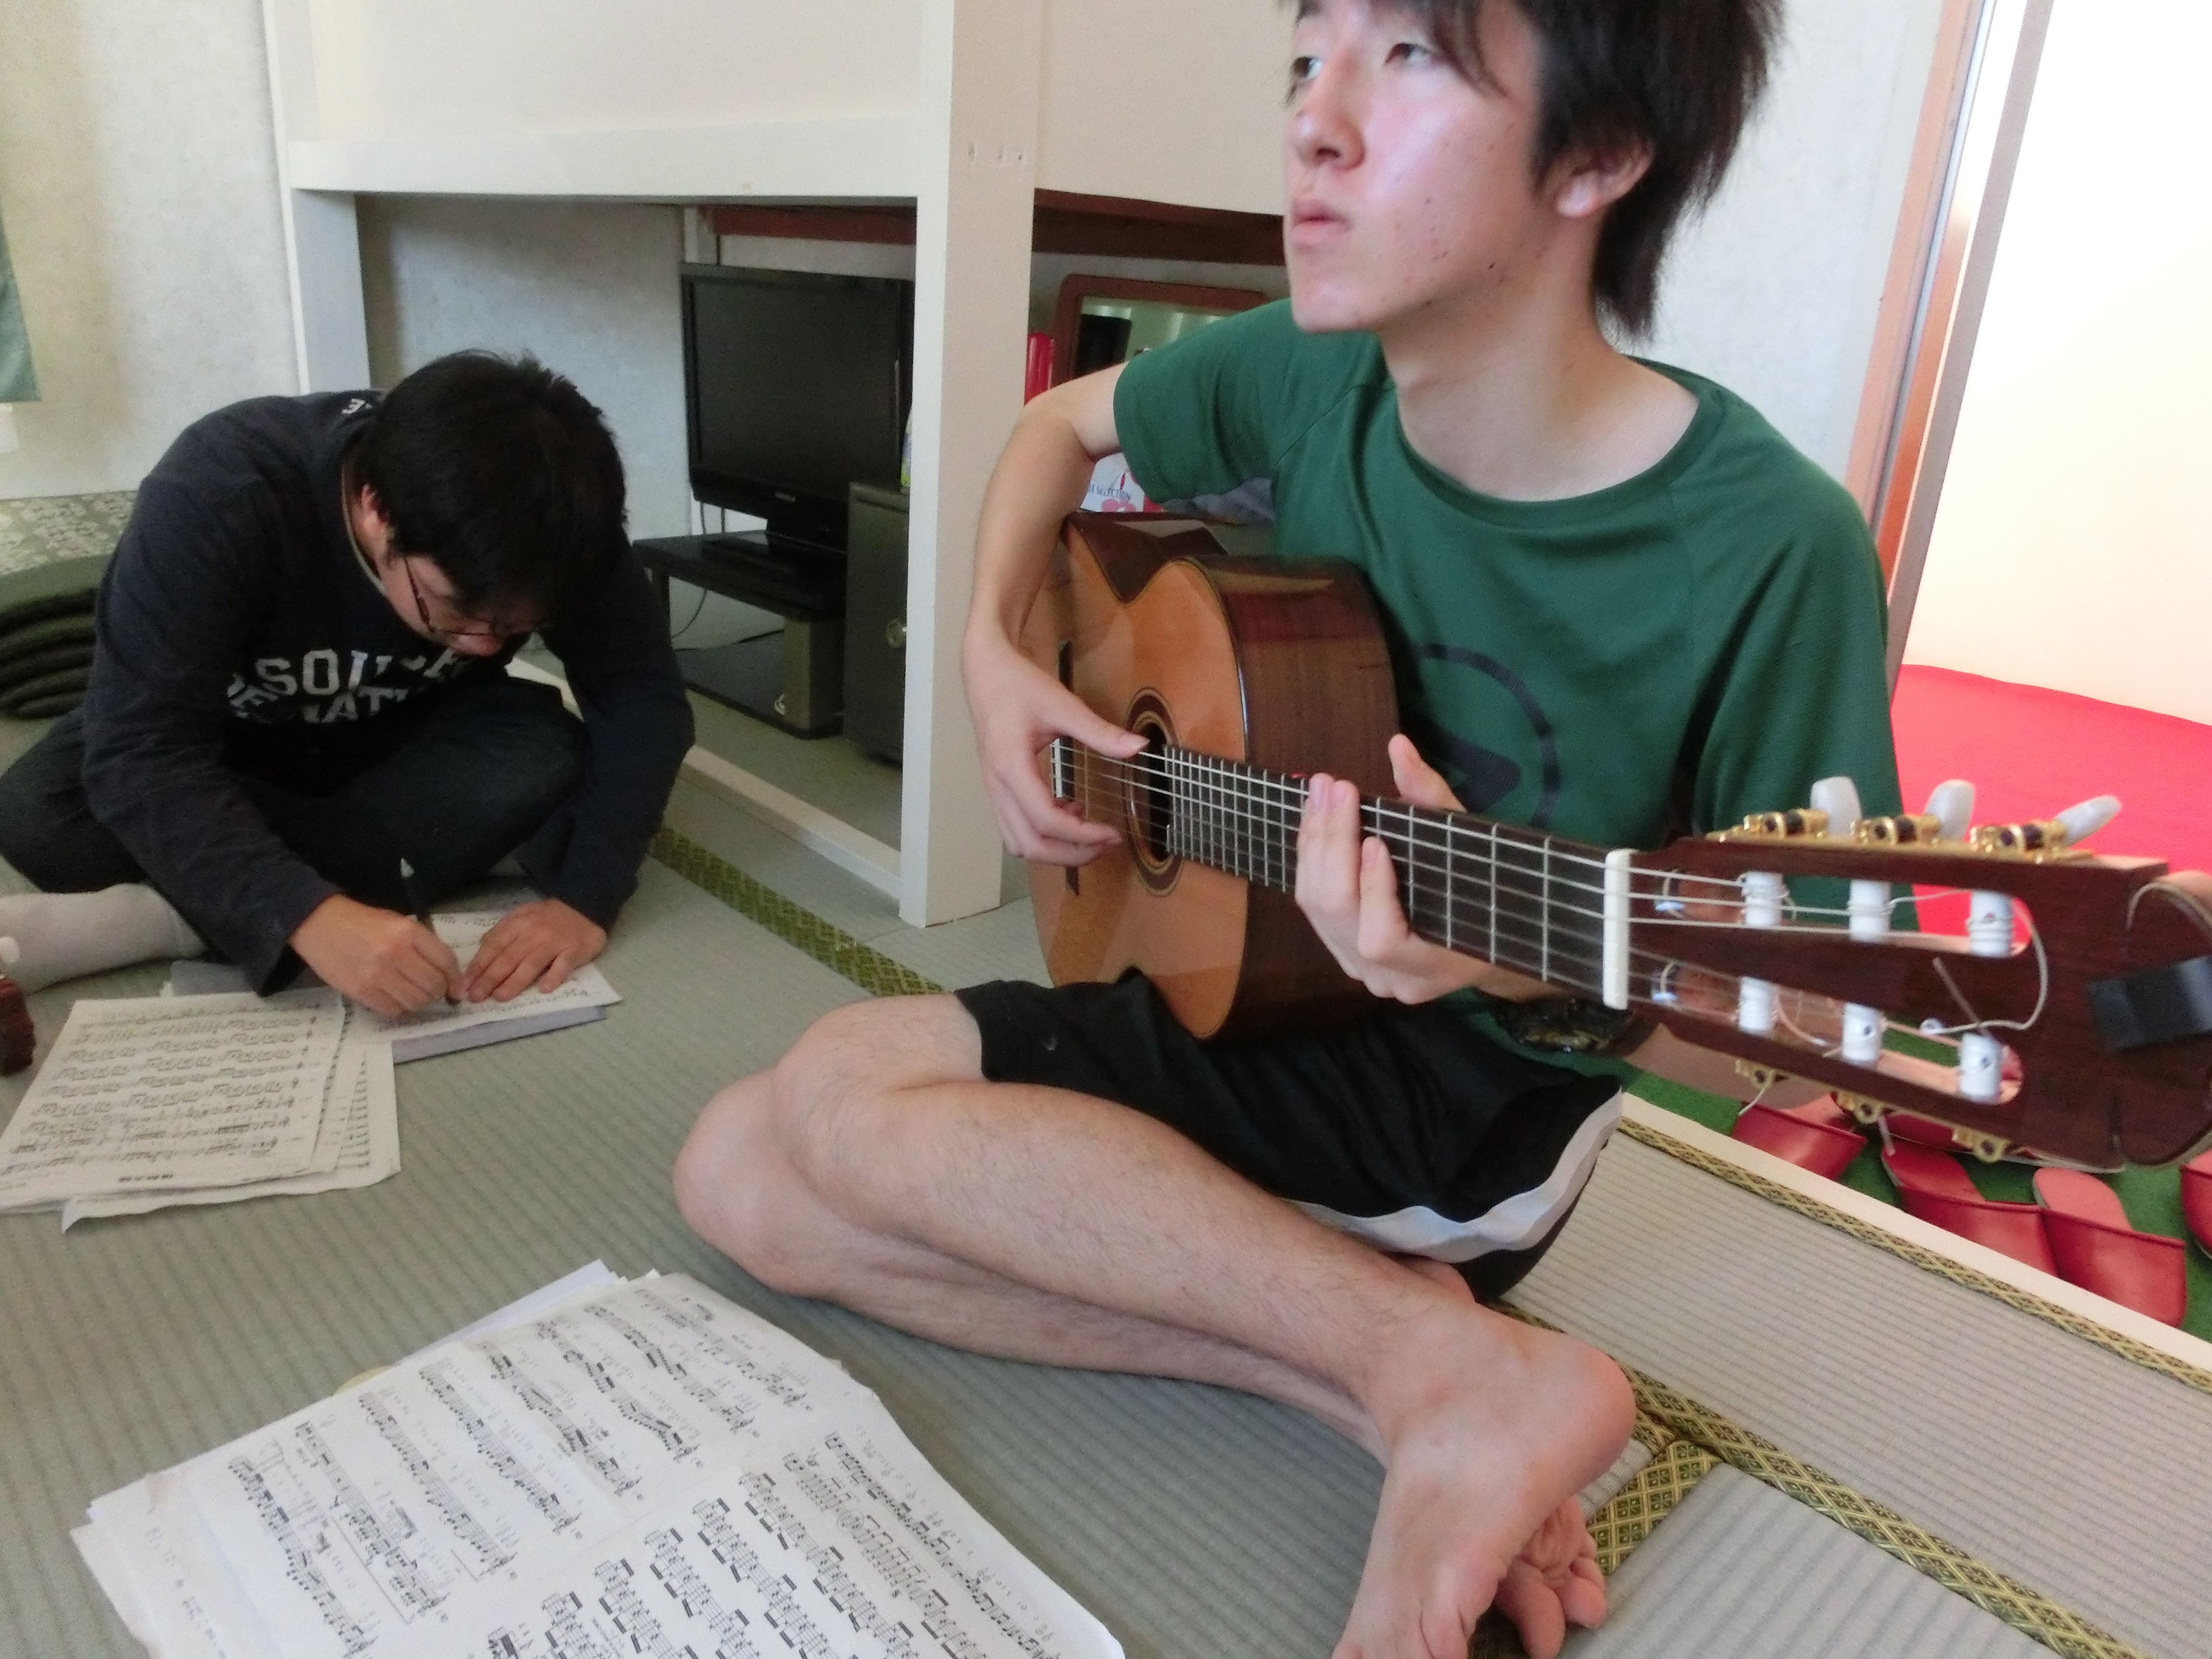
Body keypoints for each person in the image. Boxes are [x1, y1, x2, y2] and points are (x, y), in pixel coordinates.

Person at [676, 1, 1902, 1654]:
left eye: (1411, 58)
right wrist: (984, 646)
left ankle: (1428, 1345)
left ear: (1599, 155)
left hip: (1469, 1121)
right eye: (1308, 58)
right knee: (735, 1174)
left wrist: (1504, 968)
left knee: (831, 1093)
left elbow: (1813, 1042)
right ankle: (1414, 1373)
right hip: (1258, 982)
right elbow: (1056, 429)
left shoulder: (1768, 548)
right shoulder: (1316, 367)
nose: (1313, 122)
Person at [0, 351, 695, 1016]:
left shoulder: (564, 525)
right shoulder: (220, 493)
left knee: (545, 755)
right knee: (39, 814)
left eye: (516, 626)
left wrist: (586, 901)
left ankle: (164, 919)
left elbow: (644, 699)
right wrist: (309, 915)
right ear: (375, 510)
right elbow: (141, 748)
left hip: (409, 739)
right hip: (233, 742)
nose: (486, 643)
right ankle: (412, 859)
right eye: (453, 610)